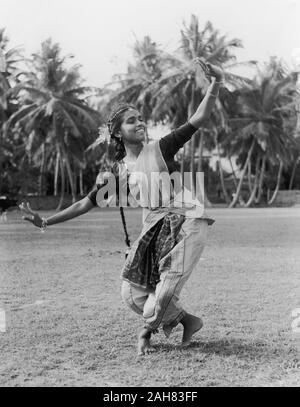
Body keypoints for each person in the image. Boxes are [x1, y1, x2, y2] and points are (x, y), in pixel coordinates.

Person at [20, 58, 224, 355]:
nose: (140, 123)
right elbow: (84, 203)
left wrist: (216, 83)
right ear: (117, 132)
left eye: (141, 118)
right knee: (132, 295)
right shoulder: (117, 171)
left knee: (163, 294)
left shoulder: (161, 148)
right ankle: (189, 321)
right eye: (132, 121)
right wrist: (44, 222)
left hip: (187, 222)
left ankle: (145, 332)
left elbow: (198, 118)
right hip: (155, 227)